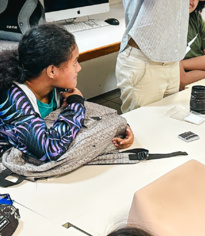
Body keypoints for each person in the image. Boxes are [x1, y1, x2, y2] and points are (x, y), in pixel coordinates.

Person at [0, 24, 134, 162]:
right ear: (52, 71)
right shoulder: (12, 98)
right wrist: (76, 104)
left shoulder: (57, 87)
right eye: (75, 62)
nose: (79, 68)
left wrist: (120, 128)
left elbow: (89, 115)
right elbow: (49, 150)